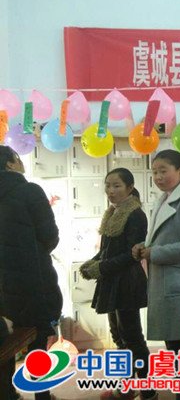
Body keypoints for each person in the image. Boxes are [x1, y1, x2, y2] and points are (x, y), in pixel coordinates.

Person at [132, 150, 180, 400]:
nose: (157, 176)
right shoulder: (165, 198)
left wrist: (154, 253)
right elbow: (160, 238)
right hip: (167, 283)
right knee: (176, 350)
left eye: (163, 171)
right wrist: (143, 247)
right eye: (154, 172)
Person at [80, 168, 155, 400]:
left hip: (127, 282)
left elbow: (133, 255)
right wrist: (92, 262)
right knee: (118, 336)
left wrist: (101, 267)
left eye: (116, 186)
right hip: (112, 280)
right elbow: (107, 250)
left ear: (130, 188)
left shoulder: (135, 215)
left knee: (132, 337)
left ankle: (148, 390)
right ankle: (126, 387)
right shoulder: (113, 212)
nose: (110, 191)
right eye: (107, 185)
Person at [0, 146, 62, 400]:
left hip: (2, 287)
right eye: (18, 157)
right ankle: (41, 395)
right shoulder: (29, 191)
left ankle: (7, 393)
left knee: (3, 343)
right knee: (37, 342)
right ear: (10, 163)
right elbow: (49, 236)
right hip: (31, 281)